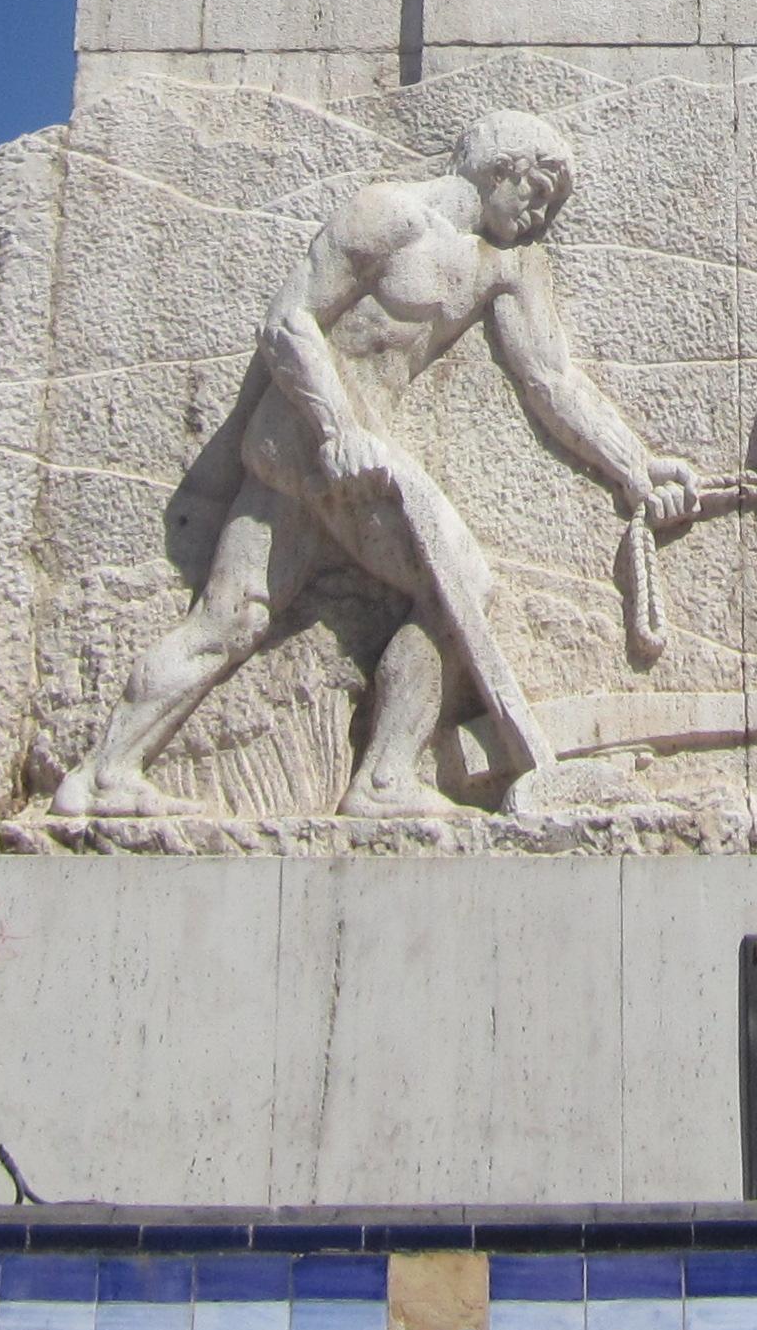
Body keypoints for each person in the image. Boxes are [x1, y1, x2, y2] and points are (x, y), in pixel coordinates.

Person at [45, 111, 694, 821]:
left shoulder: (505, 268)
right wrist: (338, 426)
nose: (540, 213)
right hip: (310, 440)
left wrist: (638, 468)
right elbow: (288, 321)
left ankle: (104, 774)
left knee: (227, 621)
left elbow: (554, 381)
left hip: (359, 460)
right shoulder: (387, 215)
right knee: (463, 586)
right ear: (500, 167)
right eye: (537, 189)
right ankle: (384, 780)